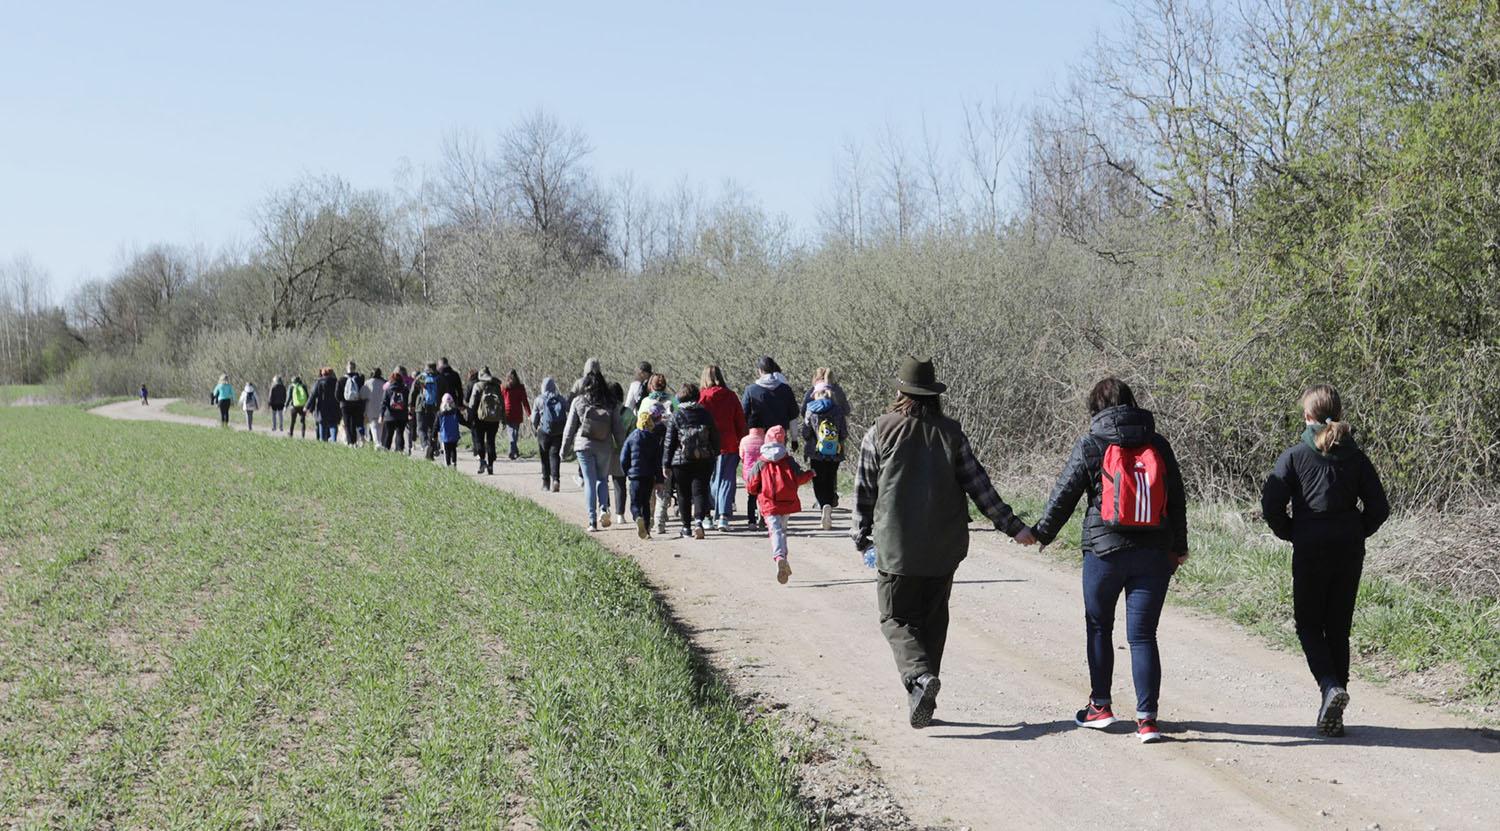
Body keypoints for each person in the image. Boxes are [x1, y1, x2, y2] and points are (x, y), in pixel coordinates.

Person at [854, 357, 1036, 729]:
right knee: (933, 623)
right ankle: (921, 696)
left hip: (896, 550)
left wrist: (860, 534)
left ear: (900, 392)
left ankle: (920, 679)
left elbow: (864, 490)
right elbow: (980, 486)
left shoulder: (879, 431)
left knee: (895, 618)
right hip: (943, 549)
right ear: (933, 395)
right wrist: (1013, 526)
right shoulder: (952, 434)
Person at [1030, 377, 1188, 745]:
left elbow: (1065, 493)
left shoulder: (1092, 443)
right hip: (1153, 553)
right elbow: (1177, 499)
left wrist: (1041, 532)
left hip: (1103, 552)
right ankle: (1147, 720)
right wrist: (1178, 547)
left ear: (1096, 408)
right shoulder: (1158, 443)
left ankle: (1100, 706)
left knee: (1099, 626)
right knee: (1143, 635)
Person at [1261, 384, 1388, 738]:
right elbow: (1380, 508)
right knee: (1338, 629)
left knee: (1307, 626)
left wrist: (1292, 531)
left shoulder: (1293, 457)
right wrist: (1355, 530)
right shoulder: (1357, 458)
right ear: (1339, 413)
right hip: (1348, 550)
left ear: (1307, 416)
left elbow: (1270, 505)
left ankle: (1330, 687)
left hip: (1311, 548)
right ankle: (1335, 711)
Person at [745, 425, 815, 584]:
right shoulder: (788, 460)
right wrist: (810, 473)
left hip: (769, 503)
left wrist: (756, 491)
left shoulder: (761, 462)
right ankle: (784, 560)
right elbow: (798, 479)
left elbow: (751, 486)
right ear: (783, 441)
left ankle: (779, 557)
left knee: (775, 531)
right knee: (782, 531)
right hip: (787, 501)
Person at [562, 370, 627, 531]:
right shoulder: (611, 403)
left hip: (583, 446)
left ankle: (592, 521)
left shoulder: (578, 401)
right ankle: (603, 509)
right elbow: (618, 429)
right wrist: (624, 447)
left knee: (589, 482)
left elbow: (569, 428)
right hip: (604, 447)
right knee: (602, 479)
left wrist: (564, 449)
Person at [663, 382, 721, 539]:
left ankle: (686, 527)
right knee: (700, 491)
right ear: (697, 397)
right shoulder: (706, 414)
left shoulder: (676, 415)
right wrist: (715, 453)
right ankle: (698, 523)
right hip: (703, 459)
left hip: (680, 461)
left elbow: (669, 442)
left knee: (683, 494)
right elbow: (715, 436)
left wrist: (666, 464)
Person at [700, 365, 748, 532]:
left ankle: (708, 514)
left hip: (706, 445)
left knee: (709, 479)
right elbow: (740, 421)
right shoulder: (731, 396)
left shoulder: (702, 397)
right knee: (727, 479)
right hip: (729, 443)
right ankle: (723, 517)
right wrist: (742, 441)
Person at [801, 384, 849, 531]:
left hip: (816, 452)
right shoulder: (838, 410)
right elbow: (844, 434)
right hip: (834, 452)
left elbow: (806, 433)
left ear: (816, 394)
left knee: (818, 480)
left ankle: (823, 505)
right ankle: (828, 504)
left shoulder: (811, 409)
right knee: (830, 479)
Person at [620, 408, 667, 539]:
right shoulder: (654, 439)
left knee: (635, 503)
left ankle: (637, 517)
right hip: (649, 477)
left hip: (635, 477)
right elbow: (658, 462)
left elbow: (623, 458)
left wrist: (626, 471)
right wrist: (659, 480)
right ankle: (647, 530)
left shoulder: (631, 438)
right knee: (645, 503)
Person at [742, 356, 800, 436]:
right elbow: (793, 415)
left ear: (760, 370)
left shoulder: (750, 390)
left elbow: (744, 414)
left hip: (758, 436)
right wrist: (794, 439)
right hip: (779, 435)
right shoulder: (786, 389)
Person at [531, 376, 567, 492]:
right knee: (555, 456)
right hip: (558, 431)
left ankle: (546, 483)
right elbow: (569, 410)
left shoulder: (539, 400)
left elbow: (534, 418)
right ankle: (556, 480)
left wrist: (536, 427)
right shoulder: (560, 399)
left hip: (544, 432)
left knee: (544, 456)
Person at [468, 367, 503, 474]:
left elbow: (472, 403)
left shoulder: (477, 386)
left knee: (479, 441)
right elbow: (502, 402)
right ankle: (491, 465)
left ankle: (482, 461)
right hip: (494, 418)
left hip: (479, 418)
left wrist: (470, 417)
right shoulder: (497, 386)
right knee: (491, 441)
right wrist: (503, 418)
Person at [609, 381, 631, 528]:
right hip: (622, 452)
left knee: (601, 482)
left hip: (605, 451)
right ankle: (620, 515)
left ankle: (603, 509)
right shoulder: (629, 414)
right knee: (620, 484)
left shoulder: (605, 411)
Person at [412, 362, 443, 459]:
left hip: (421, 406)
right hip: (435, 407)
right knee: (432, 429)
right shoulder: (440, 378)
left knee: (421, 429)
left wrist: (411, 405)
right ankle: (432, 449)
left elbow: (413, 391)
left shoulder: (421, 377)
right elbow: (446, 391)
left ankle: (425, 446)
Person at [739, 427, 767, 531]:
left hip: (750, 474)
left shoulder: (744, 440)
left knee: (751, 498)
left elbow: (741, 456)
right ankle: (763, 518)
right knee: (763, 497)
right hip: (763, 473)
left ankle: (751, 521)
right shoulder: (766, 439)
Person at [335, 361, 367, 446]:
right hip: (357, 404)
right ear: (355, 368)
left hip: (345, 405)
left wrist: (343, 401)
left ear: (347, 368)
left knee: (348, 424)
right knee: (356, 423)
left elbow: (337, 395)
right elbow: (363, 392)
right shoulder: (360, 379)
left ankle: (350, 442)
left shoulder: (341, 380)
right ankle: (357, 441)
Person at [502, 370, 531, 461]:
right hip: (517, 412)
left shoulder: (503, 387)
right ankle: (513, 452)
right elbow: (525, 401)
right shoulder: (520, 387)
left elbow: (500, 400)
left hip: (507, 412)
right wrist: (529, 414)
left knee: (511, 432)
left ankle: (512, 451)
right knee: (515, 432)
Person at [308, 368, 342, 441]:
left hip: (322, 410)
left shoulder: (319, 383)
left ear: (322, 374)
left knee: (322, 429)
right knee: (333, 426)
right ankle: (333, 441)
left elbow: (312, 395)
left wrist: (307, 407)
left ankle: (323, 444)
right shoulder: (336, 382)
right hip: (334, 409)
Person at [381, 367, 411, 453]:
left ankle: (386, 449)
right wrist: (408, 412)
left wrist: (382, 415)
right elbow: (407, 402)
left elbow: (384, 402)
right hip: (402, 416)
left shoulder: (388, 389)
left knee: (389, 434)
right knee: (400, 433)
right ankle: (399, 450)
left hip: (390, 416)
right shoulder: (405, 389)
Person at [437, 393, 462, 467]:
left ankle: (448, 464)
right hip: (454, 434)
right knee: (453, 449)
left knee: (447, 450)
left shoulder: (440, 413)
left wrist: (433, 434)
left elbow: (436, 425)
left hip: (445, 435)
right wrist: (469, 424)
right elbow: (461, 420)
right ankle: (454, 463)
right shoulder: (455, 411)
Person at [363, 368, 386, 449]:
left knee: (373, 425)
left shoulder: (368, 383)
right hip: (382, 407)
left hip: (371, 406)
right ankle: (379, 442)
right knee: (381, 425)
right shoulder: (384, 383)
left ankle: (377, 443)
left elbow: (362, 395)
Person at [464, 369, 482, 457]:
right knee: (481, 430)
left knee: (474, 430)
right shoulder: (482, 384)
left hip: (472, 410)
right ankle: (481, 448)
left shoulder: (470, 384)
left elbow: (466, 398)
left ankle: (476, 449)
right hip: (482, 410)